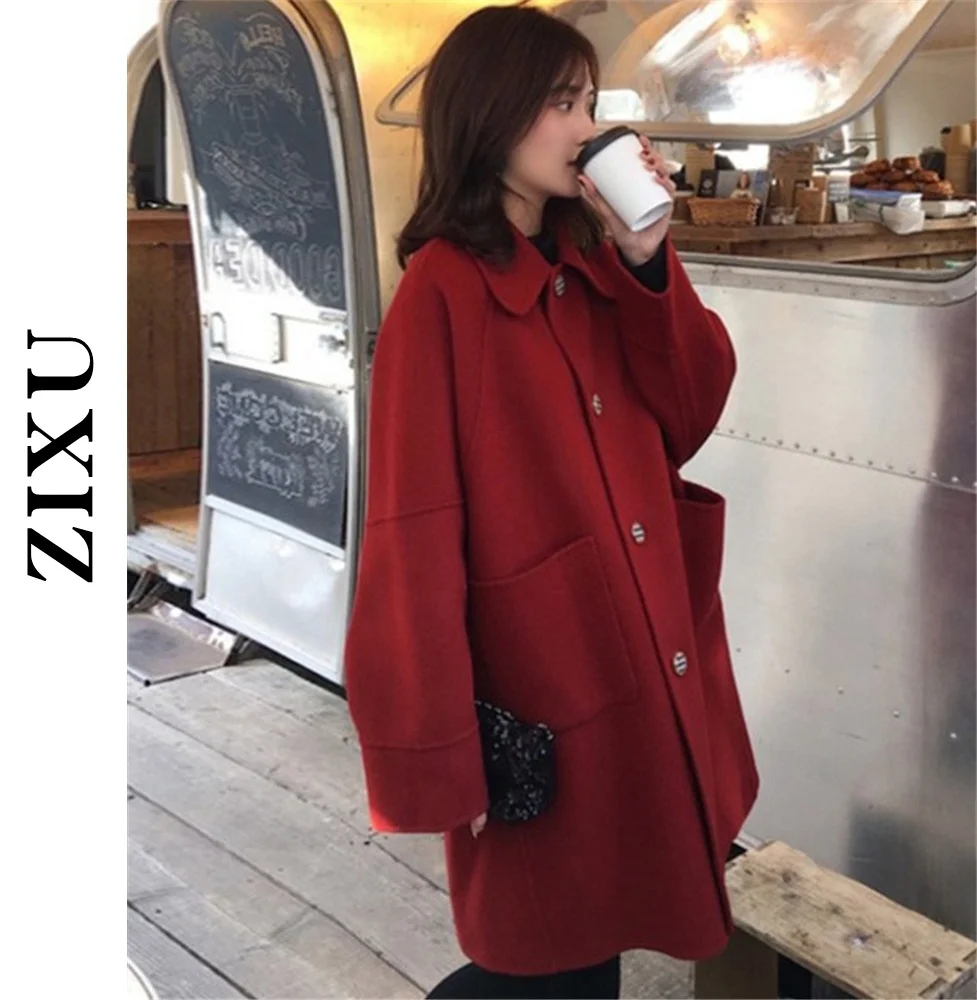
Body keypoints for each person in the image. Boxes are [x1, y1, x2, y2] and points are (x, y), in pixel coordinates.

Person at [342, 6, 760, 999]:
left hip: (639, 649)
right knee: (548, 946)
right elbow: (408, 539)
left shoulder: (593, 258)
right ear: (491, 116)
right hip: (541, 677)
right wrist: (436, 755)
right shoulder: (441, 295)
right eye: (561, 104)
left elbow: (690, 407)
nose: (586, 129)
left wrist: (649, 259)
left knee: (593, 930)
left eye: (589, 103)